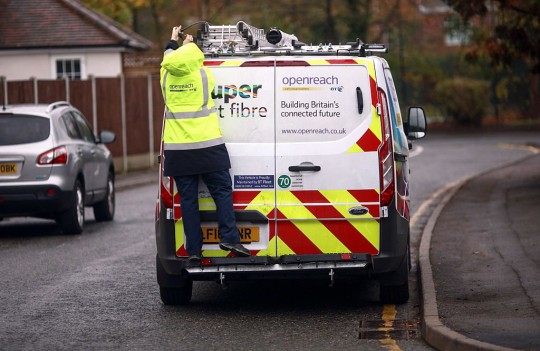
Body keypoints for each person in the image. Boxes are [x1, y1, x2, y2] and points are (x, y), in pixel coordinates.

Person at [160, 26, 250, 261]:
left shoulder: (165, 76)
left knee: (188, 202)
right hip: (208, 147)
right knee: (221, 192)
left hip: (178, 151)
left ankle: (193, 252)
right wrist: (189, 44)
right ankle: (229, 237)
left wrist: (174, 40)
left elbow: (169, 59)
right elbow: (190, 61)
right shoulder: (203, 75)